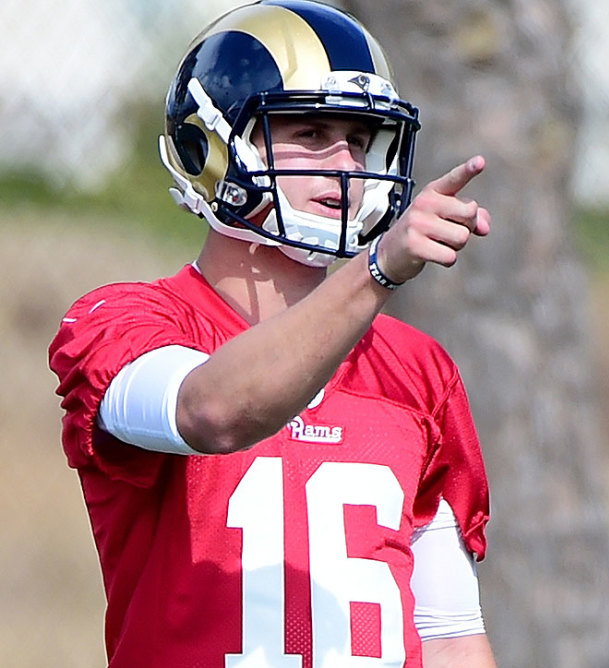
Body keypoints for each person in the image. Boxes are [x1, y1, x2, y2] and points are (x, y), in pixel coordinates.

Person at [48, 1, 497, 666]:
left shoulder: (416, 368)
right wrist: (374, 273)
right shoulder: (124, 322)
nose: (345, 164)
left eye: (358, 138)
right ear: (211, 143)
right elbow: (211, 412)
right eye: (311, 134)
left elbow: (450, 633)